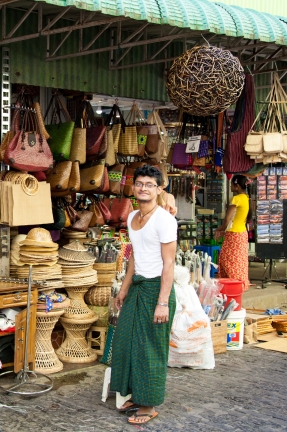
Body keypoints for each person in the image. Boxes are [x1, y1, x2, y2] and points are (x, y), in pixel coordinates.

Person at [110, 165, 177, 425]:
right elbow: (135, 256)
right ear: (133, 187)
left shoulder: (165, 220)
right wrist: (124, 289)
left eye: (150, 184)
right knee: (126, 343)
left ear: (159, 189)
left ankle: (148, 404)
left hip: (155, 290)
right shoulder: (132, 217)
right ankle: (136, 395)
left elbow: (168, 264)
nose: (144, 188)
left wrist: (162, 303)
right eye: (140, 183)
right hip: (137, 287)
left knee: (150, 349)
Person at [215, 175, 251, 291]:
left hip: (233, 234)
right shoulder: (246, 198)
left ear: (237, 186)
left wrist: (220, 229)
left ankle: (231, 284)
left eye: (231, 184)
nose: (230, 186)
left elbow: (227, 219)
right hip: (242, 233)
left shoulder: (237, 198)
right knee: (239, 261)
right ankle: (240, 283)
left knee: (227, 260)